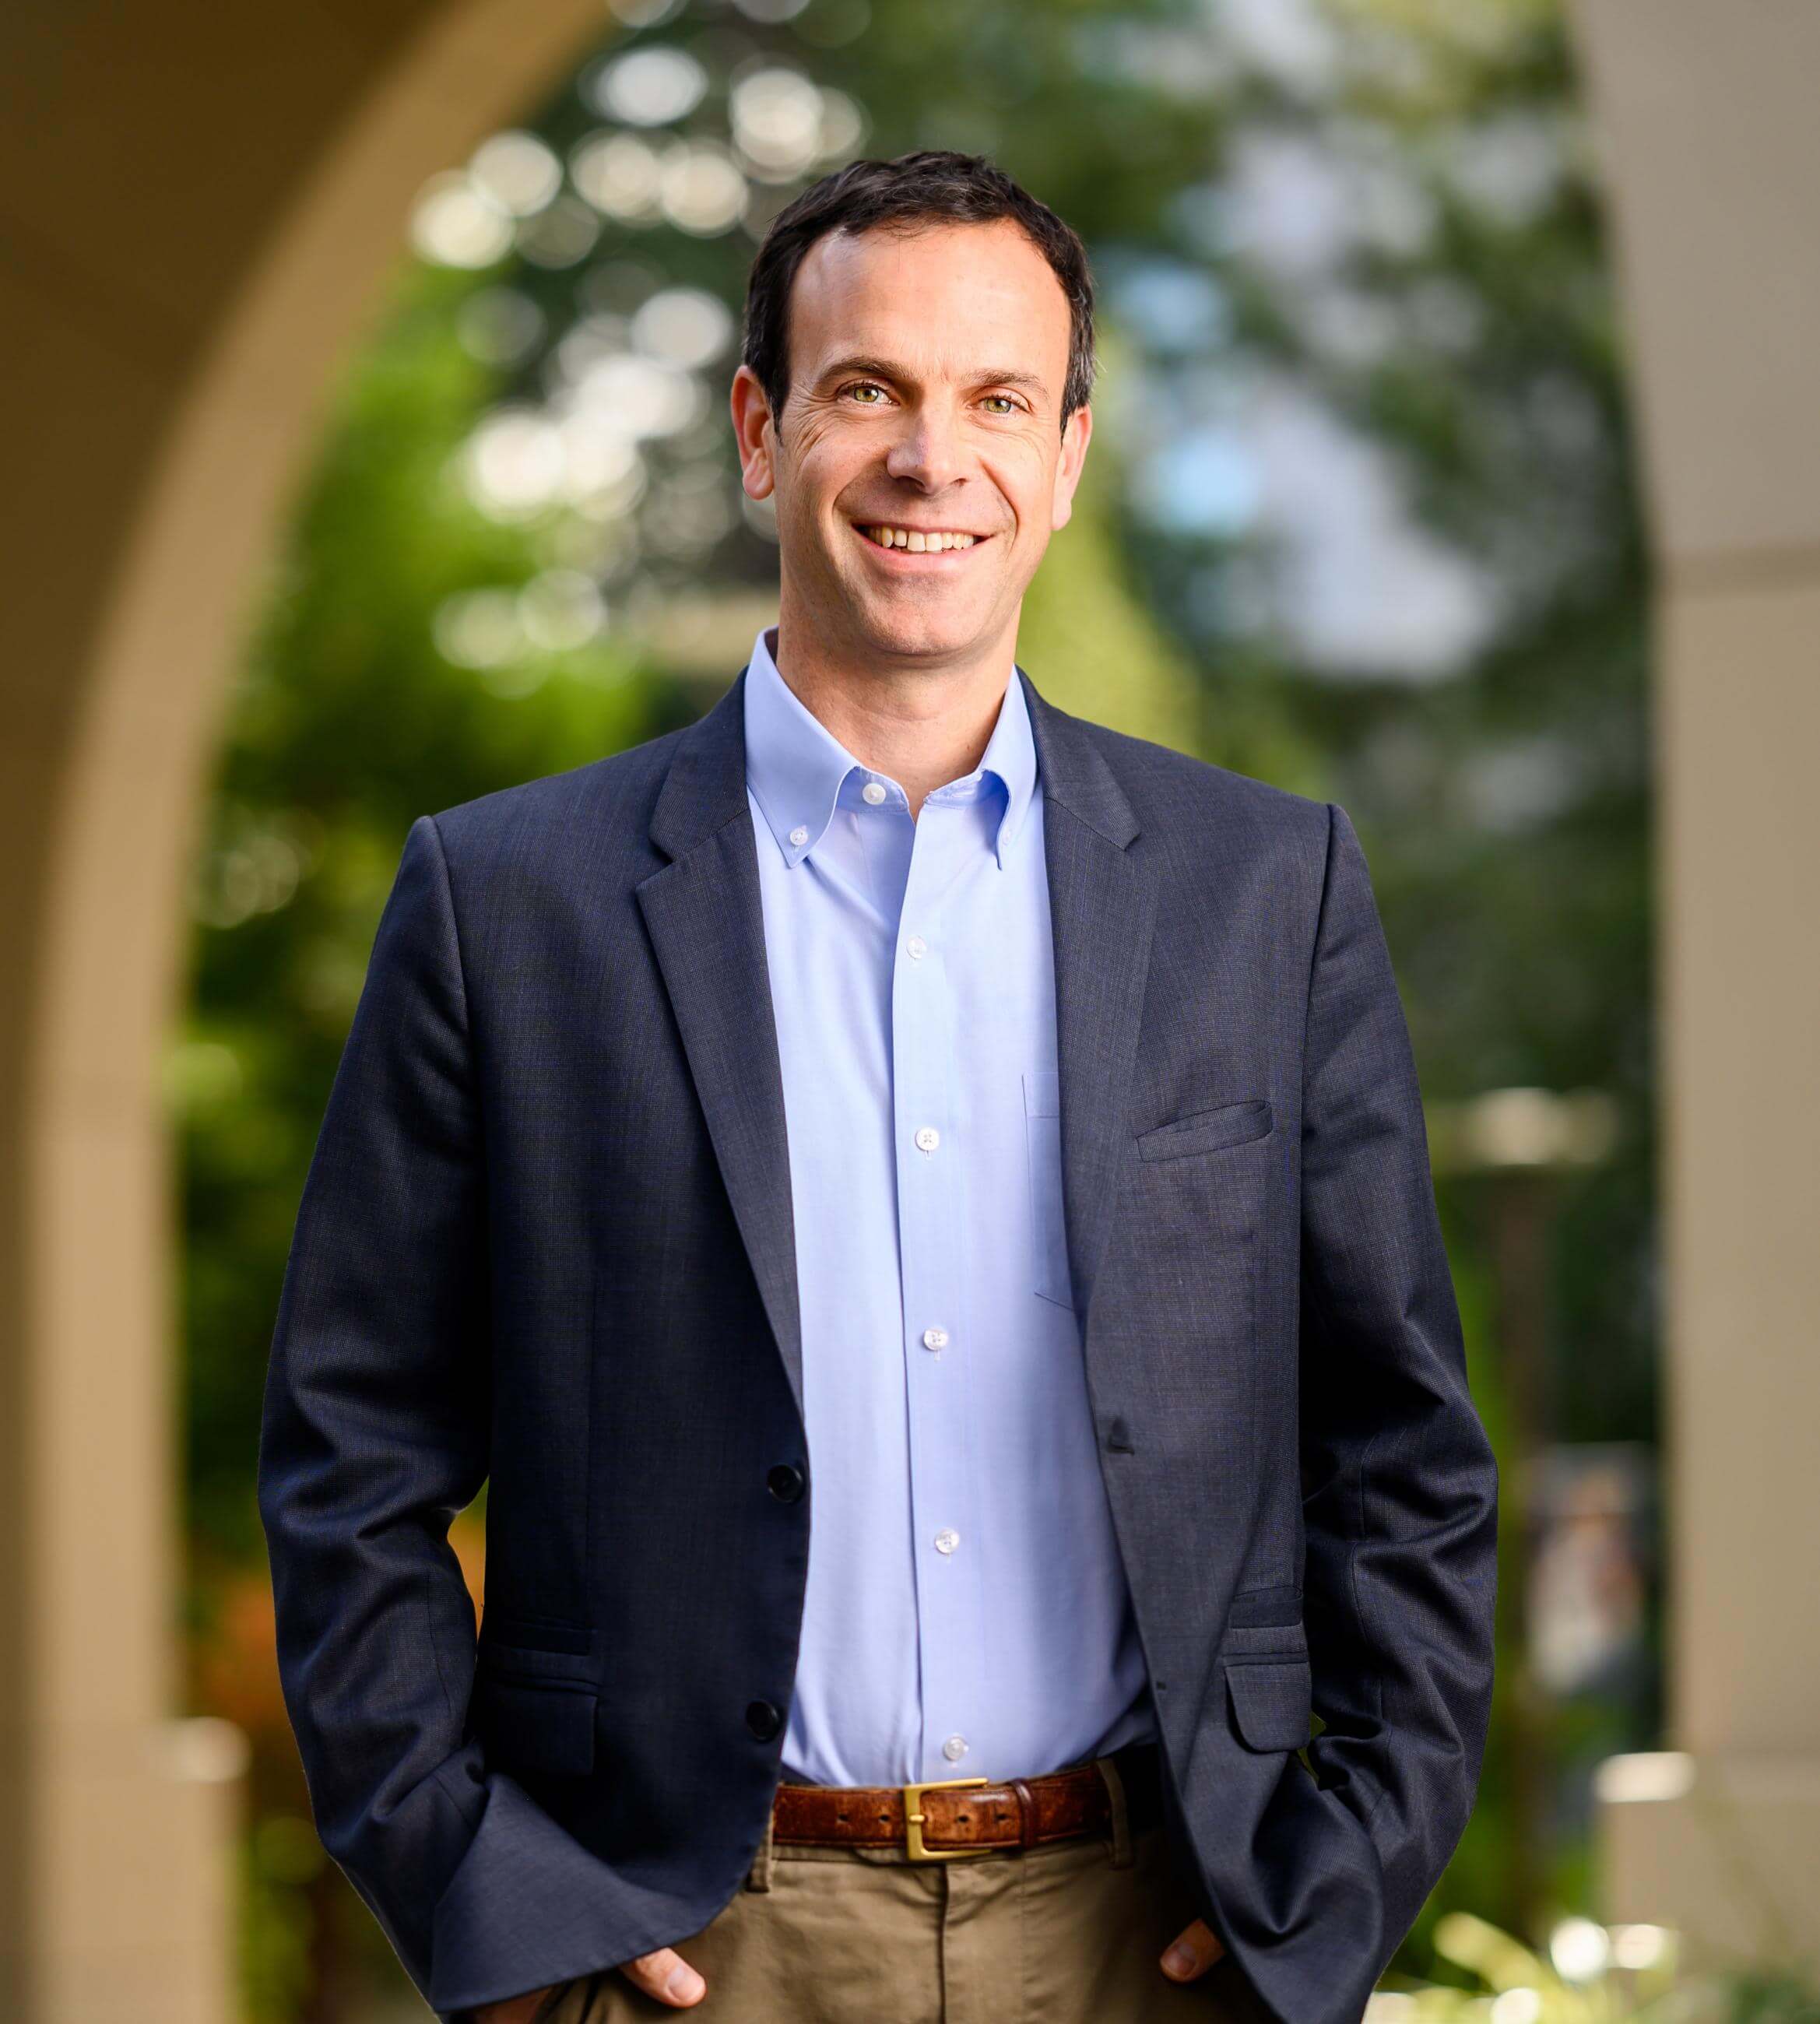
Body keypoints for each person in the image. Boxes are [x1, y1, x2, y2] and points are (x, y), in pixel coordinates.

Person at [258, 149, 1498, 2024]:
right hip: (682, 1947)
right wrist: (491, 1901)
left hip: (1146, 1939)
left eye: (999, 398)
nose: (936, 457)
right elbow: (353, 1466)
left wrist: (1327, 1894)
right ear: (761, 433)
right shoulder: (506, 904)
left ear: (1066, 459)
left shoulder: (1265, 890)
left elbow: (1396, 1452)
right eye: (869, 391)